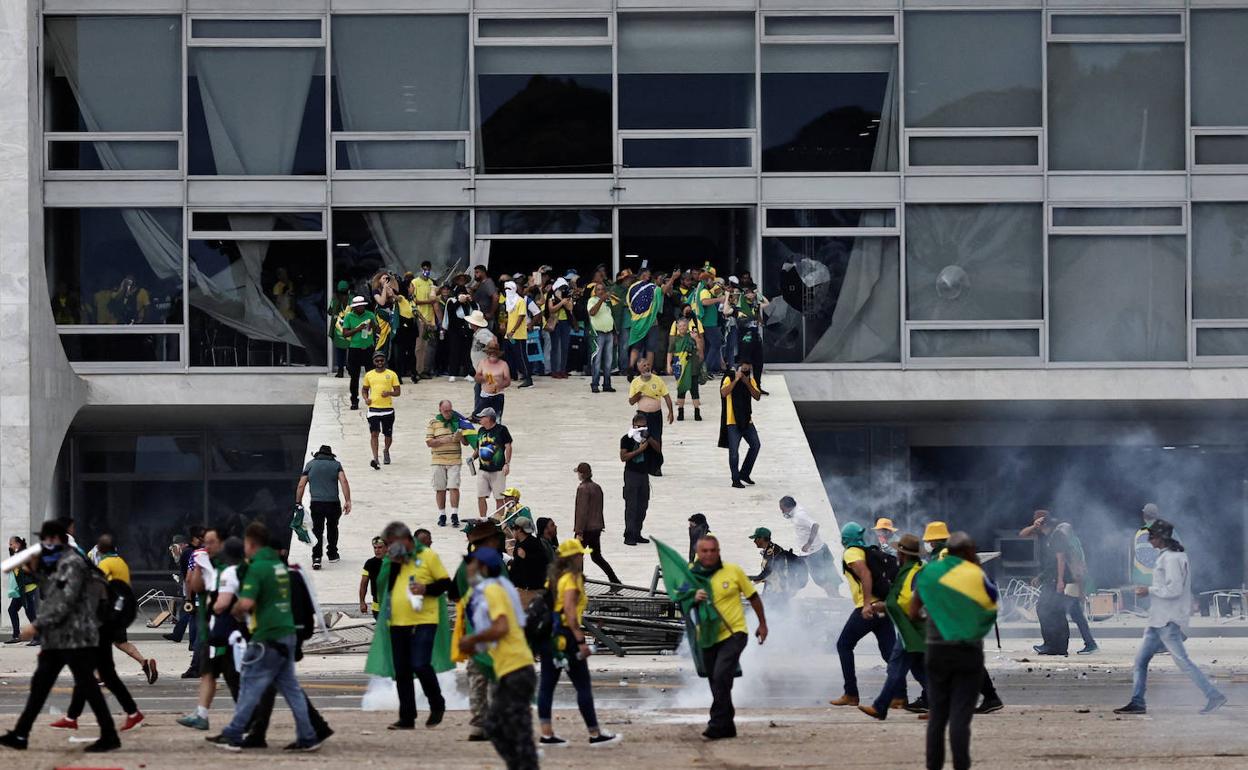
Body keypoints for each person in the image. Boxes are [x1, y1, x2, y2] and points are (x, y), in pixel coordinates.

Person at [0, 520, 120, 753]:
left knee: (87, 684)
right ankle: (21, 733)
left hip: (75, 636)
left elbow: (66, 601)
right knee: (40, 685)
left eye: (47, 539)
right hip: (59, 637)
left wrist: (37, 626)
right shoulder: (58, 563)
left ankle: (109, 734)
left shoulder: (73, 563)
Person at [207, 522, 320, 752]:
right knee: (291, 689)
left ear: (250, 544)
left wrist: (237, 612)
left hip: (266, 635)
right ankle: (308, 736)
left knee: (249, 684)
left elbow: (246, 603)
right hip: (286, 632)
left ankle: (234, 733)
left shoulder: (257, 568)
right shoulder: (279, 566)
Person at [1114, 518, 1226, 716]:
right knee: (1140, 662)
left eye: (1152, 536)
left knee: (1183, 662)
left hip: (1167, 620)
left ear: (1161, 538)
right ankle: (1137, 701)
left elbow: (1174, 589)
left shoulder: (1171, 559)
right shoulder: (1173, 556)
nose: (1149, 540)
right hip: (1158, 619)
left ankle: (1213, 695)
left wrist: (1148, 590)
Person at [910, 533, 998, 770]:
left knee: (937, 717)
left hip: (937, 650)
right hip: (968, 650)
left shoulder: (930, 573)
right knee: (960, 715)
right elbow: (991, 609)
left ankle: (934, 766)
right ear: (968, 552)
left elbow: (913, 611)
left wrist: (930, 620)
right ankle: (961, 766)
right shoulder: (975, 575)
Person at [458, 546, 539, 769]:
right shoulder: (499, 587)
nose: (468, 568)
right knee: (507, 727)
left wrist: (472, 640)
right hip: (511, 668)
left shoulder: (493, 589)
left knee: (508, 728)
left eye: (471, 564)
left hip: (516, 669)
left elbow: (501, 627)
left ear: (482, 567)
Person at [56, 535, 145, 734]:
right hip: (112, 616)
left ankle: (129, 713)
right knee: (94, 672)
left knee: (93, 671)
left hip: (103, 620)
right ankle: (73, 717)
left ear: (100, 550)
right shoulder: (120, 562)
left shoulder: (105, 564)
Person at [537, 540, 621, 747]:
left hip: (550, 636)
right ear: (574, 557)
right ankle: (594, 733)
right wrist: (581, 640)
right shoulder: (572, 579)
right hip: (567, 637)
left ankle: (546, 734)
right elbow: (570, 612)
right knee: (582, 685)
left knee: (547, 686)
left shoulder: (553, 579)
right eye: (580, 555)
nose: (582, 557)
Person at [691, 534, 769, 740]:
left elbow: (753, 597)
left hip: (734, 633)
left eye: (712, 550)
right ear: (698, 553)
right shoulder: (691, 575)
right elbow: (679, 597)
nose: (708, 554)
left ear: (718, 551)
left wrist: (762, 623)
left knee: (720, 675)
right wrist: (692, 596)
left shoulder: (733, 571)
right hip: (707, 636)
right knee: (717, 681)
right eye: (704, 551)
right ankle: (728, 725)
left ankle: (716, 724)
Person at [376, 522, 451, 730]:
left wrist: (426, 588)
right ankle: (407, 717)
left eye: (392, 543)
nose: (389, 547)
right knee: (402, 670)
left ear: (406, 540)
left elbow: (446, 583)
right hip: (398, 621)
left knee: (420, 663)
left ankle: (437, 702)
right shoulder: (394, 561)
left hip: (425, 619)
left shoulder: (428, 556)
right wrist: (393, 565)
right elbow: (385, 589)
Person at [174, 533, 243, 732]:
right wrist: (197, 567)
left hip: (225, 632)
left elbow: (221, 601)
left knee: (232, 678)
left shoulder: (227, 569)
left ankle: (246, 716)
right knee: (208, 674)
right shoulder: (206, 563)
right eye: (206, 542)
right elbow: (195, 586)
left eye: (212, 542)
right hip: (211, 630)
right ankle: (201, 714)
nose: (208, 545)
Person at [859, 533, 928, 720]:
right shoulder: (911, 569)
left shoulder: (915, 572)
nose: (897, 555)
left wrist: (885, 606)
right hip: (909, 628)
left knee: (896, 667)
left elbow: (908, 600)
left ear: (903, 554)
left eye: (899, 552)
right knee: (920, 670)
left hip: (911, 628)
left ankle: (880, 707)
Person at [829, 522, 896, 708]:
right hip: (883, 607)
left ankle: (851, 693)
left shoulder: (851, 552)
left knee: (844, 645)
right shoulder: (867, 551)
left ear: (845, 539)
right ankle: (900, 696)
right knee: (890, 653)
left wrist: (866, 604)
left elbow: (866, 575)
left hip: (868, 608)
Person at [1020, 510, 1096, 656]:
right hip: (1058, 578)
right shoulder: (1047, 535)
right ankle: (1061, 646)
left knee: (1048, 609)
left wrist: (1060, 581)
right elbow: (1023, 534)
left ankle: (1055, 645)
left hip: (1063, 579)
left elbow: (1060, 560)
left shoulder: (1057, 535)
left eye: (1037, 523)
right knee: (1066, 612)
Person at [297, 445, 352, 570]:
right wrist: (348, 500)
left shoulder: (310, 465)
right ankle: (332, 554)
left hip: (317, 503)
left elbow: (301, 485)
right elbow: (344, 481)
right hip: (333, 502)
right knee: (332, 527)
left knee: (317, 529)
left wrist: (298, 502)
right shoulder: (336, 465)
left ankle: (316, 558)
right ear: (331, 455)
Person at [778, 497, 838, 596]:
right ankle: (835, 596)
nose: (781, 511)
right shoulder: (797, 511)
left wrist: (809, 543)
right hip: (812, 550)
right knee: (808, 576)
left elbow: (815, 525)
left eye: (782, 508)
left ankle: (835, 597)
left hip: (812, 552)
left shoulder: (800, 515)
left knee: (820, 579)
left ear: (789, 507)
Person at [573, 463, 621, 585]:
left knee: (577, 556)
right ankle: (614, 579)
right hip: (596, 527)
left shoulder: (582, 489)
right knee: (596, 556)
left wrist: (579, 531)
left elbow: (581, 512)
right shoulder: (597, 487)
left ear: (582, 474)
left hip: (585, 529)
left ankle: (579, 582)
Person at [718, 359, 762, 489]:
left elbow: (757, 396)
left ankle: (744, 473)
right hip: (732, 421)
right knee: (734, 452)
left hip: (747, 420)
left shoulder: (750, 380)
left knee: (755, 445)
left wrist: (746, 383)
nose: (746, 371)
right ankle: (735, 479)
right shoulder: (729, 378)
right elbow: (724, 393)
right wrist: (736, 380)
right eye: (744, 369)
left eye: (748, 369)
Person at [427, 399, 470, 528]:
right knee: (440, 488)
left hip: (454, 459)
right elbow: (429, 442)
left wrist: (460, 436)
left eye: (450, 410)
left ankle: (454, 514)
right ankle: (442, 514)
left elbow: (466, 442)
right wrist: (444, 440)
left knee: (454, 487)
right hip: (438, 460)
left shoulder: (457, 422)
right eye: (445, 411)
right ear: (440, 409)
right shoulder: (433, 422)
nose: (448, 413)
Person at [621, 412, 660, 546]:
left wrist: (649, 439)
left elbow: (658, 450)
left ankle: (637, 532)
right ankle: (629, 534)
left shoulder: (647, 439)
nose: (642, 430)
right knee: (631, 506)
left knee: (643, 505)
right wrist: (639, 450)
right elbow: (623, 457)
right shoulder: (627, 438)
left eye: (644, 427)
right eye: (639, 427)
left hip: (644, 475)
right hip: (632, 474)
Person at [746, 527, 806, 610]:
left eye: (756, 538)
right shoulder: (771, 549)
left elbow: (768, 571)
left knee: (775, 612)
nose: (754, 541)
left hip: (778, 590)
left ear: (762, 539)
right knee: (773, 612)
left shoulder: (772, 552)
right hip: (774, 588)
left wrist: (750, 581)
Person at [362, 351, 401, 471]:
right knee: (374, 433)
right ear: (373, 362)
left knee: (388, 434)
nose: (379, 363)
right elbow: (364, 389)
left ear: (385, 361)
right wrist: (366, 398)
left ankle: (386, 450)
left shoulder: (392, 374)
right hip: (373, 409)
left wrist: (389, 393)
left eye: (381, 360)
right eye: (377, 361)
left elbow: (398, 392)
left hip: (387, 410)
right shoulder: (369, 375)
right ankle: (375, 458)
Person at [627, 356, 675, 451]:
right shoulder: (635, 383)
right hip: (642, 416)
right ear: (639, 369)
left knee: (657, 438)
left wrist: (671, 412)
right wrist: (639, 392)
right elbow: (631, 402)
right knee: (641, 439)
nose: (647, 367)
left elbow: (666, 396)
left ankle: (657, 460)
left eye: (648, 365)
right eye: (644, 365)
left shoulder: (658, 380)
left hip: (656, 415)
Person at [339, 296, 378, 411]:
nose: (361, 308)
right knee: (354, 377)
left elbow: (378, 330)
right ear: (354, 307)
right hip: (354, 349)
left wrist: (373, 326)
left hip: (368, 348)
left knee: (371, 376)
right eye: (358, 306)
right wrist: (358, 328)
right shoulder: (349, 317)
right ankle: (354, 400)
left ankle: (373, 399)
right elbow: (345, 334)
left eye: (362, 306)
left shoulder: (370, 315)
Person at [473, 407, 513, 517]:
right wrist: (472, 458)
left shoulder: (502, 429)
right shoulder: (481, 430)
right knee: (480, 496)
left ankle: (499, 521)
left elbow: (508, 446)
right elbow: (478, 448)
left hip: (498, 470)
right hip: (483, 470)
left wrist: (507, 464)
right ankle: (483, 520)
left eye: (482, 417)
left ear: (489, 418)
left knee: (499, 498)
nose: (479, 419)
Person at [667, 315, 704, 421]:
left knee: (694, 390)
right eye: (680, 326)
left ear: (687, 326)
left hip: (692, 366)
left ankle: (697, 412)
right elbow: (670, 352)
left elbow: (700, 349)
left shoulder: (692, 336)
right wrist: (668, 365)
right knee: (681, 390)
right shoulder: (674, 339)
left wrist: (696, 339)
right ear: (677, 327)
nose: (682, 328)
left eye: (684, 325)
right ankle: (680, 412)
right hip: (680, 366)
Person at [508, 516, 548, 607]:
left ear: (519, 530)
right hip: (519, 586)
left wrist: (526, 557)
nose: (512, 531)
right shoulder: (519, 543)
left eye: (514, 529)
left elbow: (542, 562)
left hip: (531, 588)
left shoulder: (533, 543)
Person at [502, 280, 534, 389]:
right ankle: (512, 375)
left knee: (521, 357)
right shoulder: (508, 301)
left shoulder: (520, 301)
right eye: (505, 289)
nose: (507, 291)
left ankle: (528, 378)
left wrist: (513, 330)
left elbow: (521, 317)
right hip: (509, 335)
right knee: (509, 355)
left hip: (518, 334)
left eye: (509, 289)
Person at [5, 537, 38, 645]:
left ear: (17, 544)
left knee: (30, 613)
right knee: (12, 609)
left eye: (11, 544)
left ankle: (38, 638)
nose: (10, 546)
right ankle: (16, 636)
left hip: (29, 589)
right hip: (21, 590)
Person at [586, 280, 616, 393]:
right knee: (597, 360)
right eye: (598, 289)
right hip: (597, 334)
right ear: (595, 291)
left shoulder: (608, 302)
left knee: (609, 360)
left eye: (602, 289)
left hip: (609, 333)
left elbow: (612, 318)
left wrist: (614, 333)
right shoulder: (592, 300)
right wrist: (601, 300)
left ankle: (607, 384)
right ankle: (595, 384)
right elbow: (592, 312)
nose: (601, 291)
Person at [410, 262, 438, 379]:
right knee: (419, 346)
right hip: (419, 318)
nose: (426, 271)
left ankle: (423, 371)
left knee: (427, 346)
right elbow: (413, 301)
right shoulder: (415, 282)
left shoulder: (431, 283)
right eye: (424, 269)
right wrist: (429, 302)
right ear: (421, 269)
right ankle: (416, 370)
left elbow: (434, 299)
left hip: (429, 318)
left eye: (428, 269)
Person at [473, 339, 512, 421]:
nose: (493, 355)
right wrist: (484, 378)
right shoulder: (482, 363)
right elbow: (476, 377)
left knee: (497, 420)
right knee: (482, 419)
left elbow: (508, 381)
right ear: (487, 353)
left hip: (498, 395)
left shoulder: (503, 364)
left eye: (494, 353)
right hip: (485, 396)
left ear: (498, 354)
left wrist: (500, 384)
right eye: (490, 353)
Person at [547, 277, 576, 378]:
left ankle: (563, 370)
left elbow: (570, 307)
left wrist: (564, 300)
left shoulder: (568, 295)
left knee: (564, 347)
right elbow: (551, 309)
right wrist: (561, 302)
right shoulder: (551, 296)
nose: (562, 290)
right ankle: (554, 370)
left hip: (566, 323)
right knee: (555, 347)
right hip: (556, 323)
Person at [1132, 502, 1166, 587]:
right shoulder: (1168, 531)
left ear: (1144, 515)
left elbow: (1143, 556)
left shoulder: (1143, 532)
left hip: (1145, 581)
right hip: (1164, 580)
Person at [328, 280, 351, 377]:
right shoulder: (352, 299)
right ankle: (350, 369)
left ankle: (340, 371)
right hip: (350, 329)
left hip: (338, 330)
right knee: (351, 351)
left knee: (340, 351)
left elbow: (329, 312)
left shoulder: (335, 300)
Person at [359, 537, 386, 618]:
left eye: (380, 547)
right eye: (375, 548)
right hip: (377, 607)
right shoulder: (370, 563)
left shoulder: (396, 562)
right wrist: (362, 602)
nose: (377, 550)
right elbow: (363, 584)